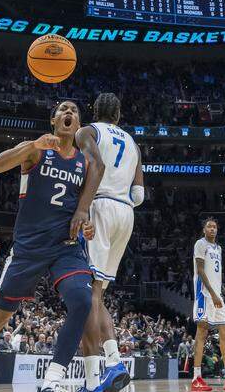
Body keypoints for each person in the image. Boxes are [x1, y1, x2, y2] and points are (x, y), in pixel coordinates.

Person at [0, 101, 104, 392]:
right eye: (63, 110)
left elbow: (81, 206)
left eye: (74, 111)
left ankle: (53, 379)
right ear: (54, 120)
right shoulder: (36, 149)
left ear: (78, 123)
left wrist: (87, 222)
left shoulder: (83, 162)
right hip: (29, 247)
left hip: (65, 247)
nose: (69, 113)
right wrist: (31, 144)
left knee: (82, 301)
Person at [78, 92, 144, 392]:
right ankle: (114, 362)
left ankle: (96, 377)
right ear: (118, 115)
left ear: (94, 111)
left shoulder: (89, 131)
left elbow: (93, 166)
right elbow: (139, 195)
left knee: (85, 295)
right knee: (97, 294)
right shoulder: (133, 143)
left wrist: (84, 209)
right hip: (126, 214)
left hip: (99, 206)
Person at [190, 218, 225, 392]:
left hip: (216, 295)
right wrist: (213, 294)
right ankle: (196, 378)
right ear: (204, 229)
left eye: (215, 226)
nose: (212, 229)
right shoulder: (200, 244)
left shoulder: (218, 248)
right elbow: (200, 271)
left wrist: (219, 293)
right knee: (202, 333)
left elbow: (216, 273)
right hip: (204, 294)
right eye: (209, 226)